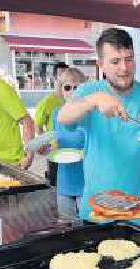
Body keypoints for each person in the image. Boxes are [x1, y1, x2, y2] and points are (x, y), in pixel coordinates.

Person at [57, 27, 140, 226]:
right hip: (98, 209)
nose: (124, 68)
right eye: (115, 61)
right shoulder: (89, 91)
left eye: (129, 59)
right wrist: (94, 100)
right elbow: (64, 118)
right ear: (101, 64)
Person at [50, 68, 87, 222]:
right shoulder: (56, 113)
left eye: (76, 87)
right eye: (67, 87)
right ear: (61, 90)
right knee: (66, 226)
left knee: (87, 227)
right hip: (64, 178)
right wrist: (46, 147)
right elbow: (54, 141)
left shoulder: (89, 113)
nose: (72, 91)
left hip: (87, 179)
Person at [34, 62, 69, 134]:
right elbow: (38, 127)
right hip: (55, 144)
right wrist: (46, 144)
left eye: (67, 75)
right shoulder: (46, 102)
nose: (65, 78)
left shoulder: (74, 99)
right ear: (55, 78)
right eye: (61, 75)